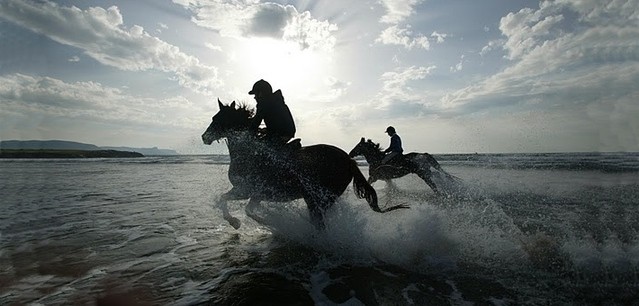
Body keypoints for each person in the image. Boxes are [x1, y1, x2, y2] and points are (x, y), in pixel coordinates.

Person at [248, 79, 296, 149]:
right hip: (287, 133)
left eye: (255, 94)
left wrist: (248, 133)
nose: (255, 97)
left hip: (279, 135)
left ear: (260, 93)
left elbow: (256, 122)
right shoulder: (276, 101)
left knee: (258, 148)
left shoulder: (263, 103)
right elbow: (277, 122)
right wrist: (266, 130)